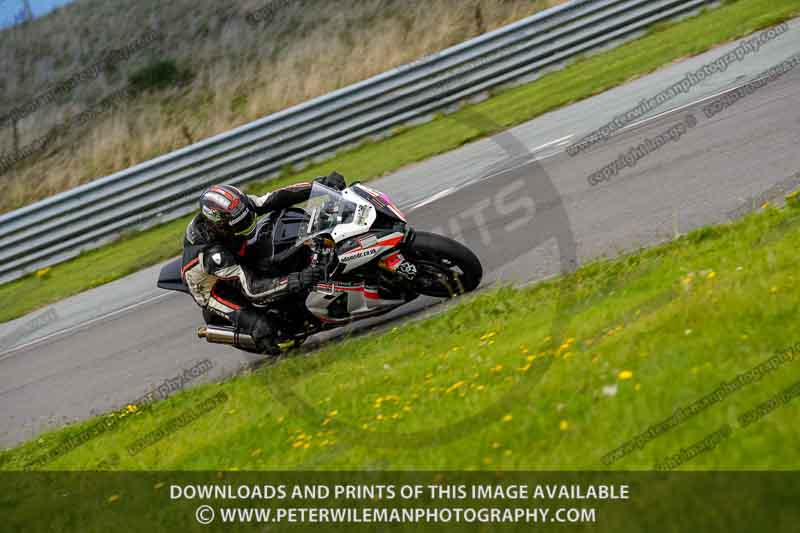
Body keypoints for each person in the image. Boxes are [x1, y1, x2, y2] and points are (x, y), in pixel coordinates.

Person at [181, 171, 347, 353]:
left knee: (283, 250)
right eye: (240, 224)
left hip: (234, 252)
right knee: (264, 329)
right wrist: (299, 279)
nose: (246, 224)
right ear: (220, 226)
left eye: (247, 219)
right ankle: (268, 337)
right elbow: (252, 289)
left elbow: (275, 198)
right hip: (213, 289)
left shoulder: (235, 209)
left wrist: (318, 185)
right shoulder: (213, 254)